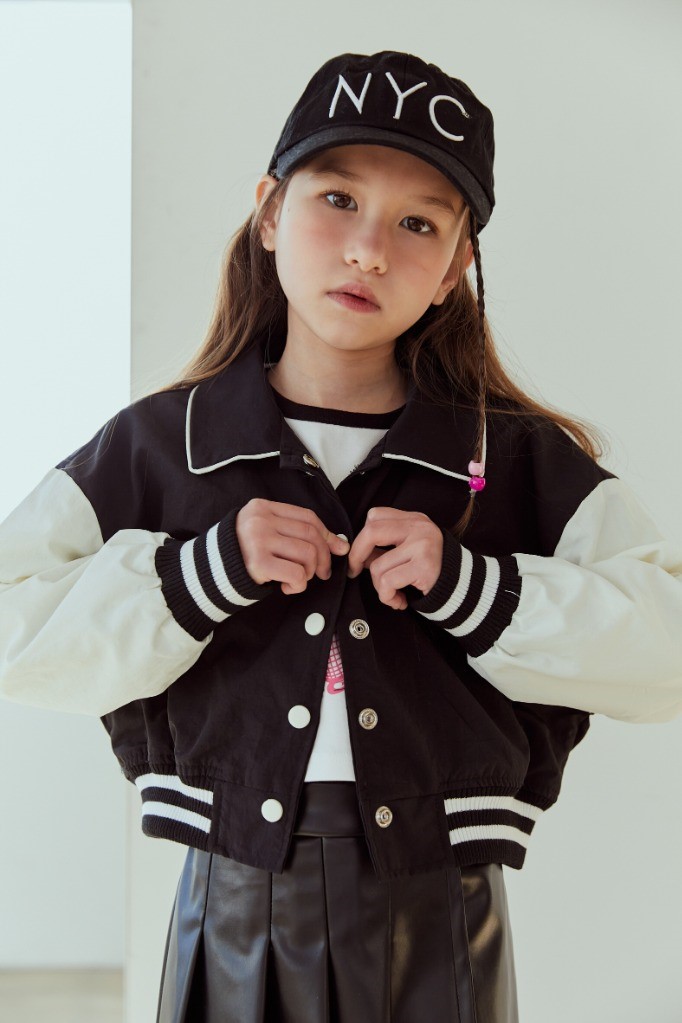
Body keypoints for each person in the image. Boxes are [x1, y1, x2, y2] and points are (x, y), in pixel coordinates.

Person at [1, 48, 681, 1023]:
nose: (368, 250)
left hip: (442, 904)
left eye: (418, 224)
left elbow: (665, 641)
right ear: (269, 212)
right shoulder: (162, 443)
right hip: (231, 897)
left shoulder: (513, 457)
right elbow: (12, 620)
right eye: (337, 199)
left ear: (454, 270)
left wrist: (477, 588)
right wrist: (198, 576)